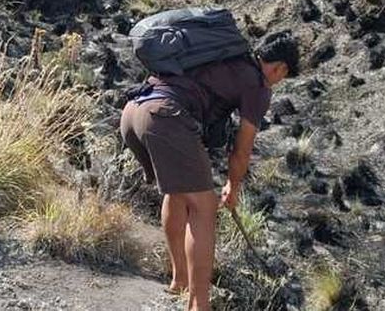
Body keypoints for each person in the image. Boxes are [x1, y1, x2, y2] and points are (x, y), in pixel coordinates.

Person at [120, 35, 300, 311]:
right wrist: (233, 186)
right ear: (280, 68)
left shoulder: (222, 55)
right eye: (283, 76)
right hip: (164, 117)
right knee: (204, 207)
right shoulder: (258, 85)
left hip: (134, 111)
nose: (279, 81)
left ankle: (179, 281)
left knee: (179, 192)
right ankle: (198, 305)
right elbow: (242, 148)